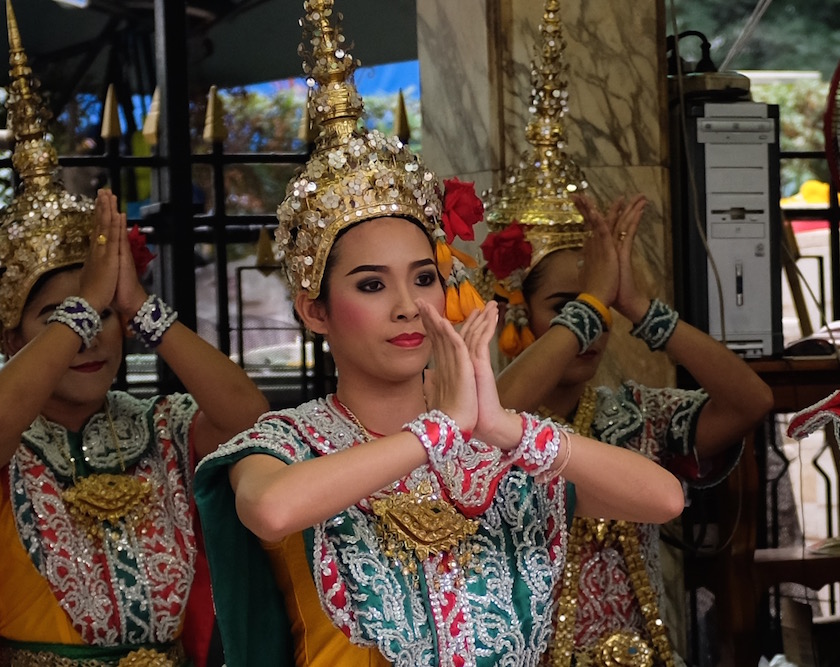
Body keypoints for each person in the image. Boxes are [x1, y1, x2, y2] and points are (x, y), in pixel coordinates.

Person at [193, 2, 685, 666]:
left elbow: (664, 498)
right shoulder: (286, 445)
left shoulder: (501, 447)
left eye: (423, 278)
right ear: (315, 311)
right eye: (371, 285)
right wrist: (436, 432)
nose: (408, 306)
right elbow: (273, 511)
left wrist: (500, 427)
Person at [0, 6, 268, 666]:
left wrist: (139, 307)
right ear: (10, 339)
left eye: (100, 316)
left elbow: (250, 418)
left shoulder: (164, 426)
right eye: (59, 317)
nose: (86, 335)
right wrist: (85, 304)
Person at [479, 10, 773, 662]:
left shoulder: (632, 415)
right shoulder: (489, 425)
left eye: (598, 309)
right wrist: (593, 301)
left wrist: (641, 307)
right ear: (516, 311)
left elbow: (751, 401)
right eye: (568, 307)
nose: (591, 327)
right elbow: (489, 416)